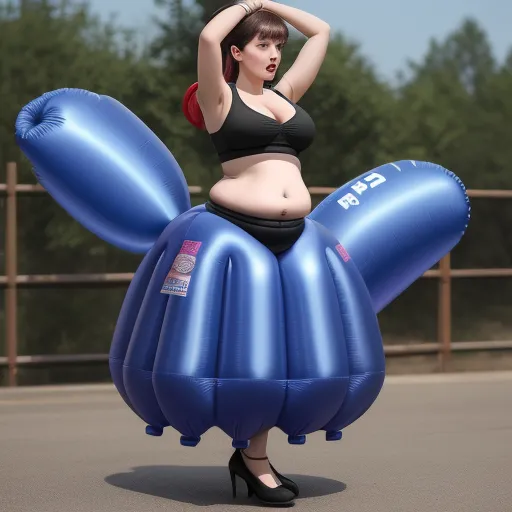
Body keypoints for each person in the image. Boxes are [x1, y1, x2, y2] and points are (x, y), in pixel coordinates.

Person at [182, 0, 330, 505]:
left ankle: (253, 457)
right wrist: (247, 5)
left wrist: (272, 6)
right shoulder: (218, 100)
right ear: (237, 52)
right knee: (255, 351)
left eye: (278, 46)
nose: (273, 54)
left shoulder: (285, 95)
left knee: (286, 349)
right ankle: (254, 461)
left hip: (295, 235)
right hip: (240, 234)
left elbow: (322, 32)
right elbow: (206, 40)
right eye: (263, 45)